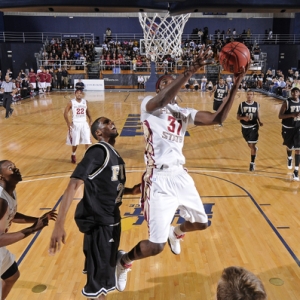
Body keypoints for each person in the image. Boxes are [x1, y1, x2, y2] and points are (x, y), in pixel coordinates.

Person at [115, 49, 247, 292]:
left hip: (180, 175)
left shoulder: (184, 114)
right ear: (159, 89)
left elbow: (218, 119)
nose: (169, 84)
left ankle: (176, 232)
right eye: (165, 83)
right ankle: (124, 261)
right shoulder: (149, 106)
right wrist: (188, 72)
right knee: (155, 247)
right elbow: (163, 100)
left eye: (172, 82)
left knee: (201, 223)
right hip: (158, 179)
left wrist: (235, 86)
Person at [49, 117, 140, 300]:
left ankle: (118, 260)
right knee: (98, 285)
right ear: (98, 132)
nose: (112, 123)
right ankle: (119, 261)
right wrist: (59, 224)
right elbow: (74, 184)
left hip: (110, 220)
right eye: (106, 122)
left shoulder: (113, 153)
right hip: (101, 223)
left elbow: (108, 186)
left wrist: (132, 190)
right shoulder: (98, 150)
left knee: (100, 280)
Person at [0, 160, 57, 300]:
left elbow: (11, 215)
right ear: (0, 177)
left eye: (14, 166)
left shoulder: (10, 192)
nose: (15, 169)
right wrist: (32, 229)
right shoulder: (1, 200)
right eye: (10, 168)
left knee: (12, 276)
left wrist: (36, 219)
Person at [237, 90, 263, 171]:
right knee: (249, 144)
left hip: (254, 126)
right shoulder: (242, 105)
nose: (249, 96)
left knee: (251, 145)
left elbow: (258, 114)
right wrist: (243, 118)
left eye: (251, 94)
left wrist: (260, 121)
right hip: (244, 127)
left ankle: (252, 163)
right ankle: (254, 149)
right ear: (246, 95)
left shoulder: (257, 104)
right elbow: (238, 117)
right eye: (248, 94)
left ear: (253, 96)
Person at [64, 89, 92, 164]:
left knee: (87, 140)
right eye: (77, 93)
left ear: (82, 94)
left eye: (80, 93)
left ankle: (87, 156)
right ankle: (73, 154)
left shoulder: (85, 102)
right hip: (76, 124)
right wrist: (68, 123)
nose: (79, 94)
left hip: (84, 123)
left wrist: (91, 119)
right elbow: (65, 113)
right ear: (75, 94)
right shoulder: (71, 102)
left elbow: (87, 111)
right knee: (75, 142)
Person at [278, 87, 300, 181]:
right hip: (287, 128)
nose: (295, 93)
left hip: (298, 128)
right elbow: (280, 116)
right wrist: (292, 115)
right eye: (293, 92)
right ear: (291, 93)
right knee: (289, 147)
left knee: (298, 149)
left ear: (299, 93)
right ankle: (289, 157)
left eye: (296, 91)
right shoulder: (286, 102)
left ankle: (296, 172)